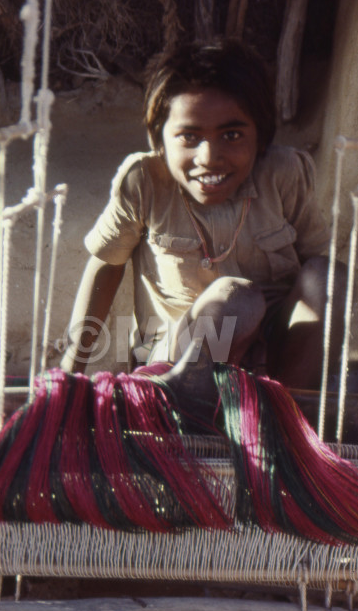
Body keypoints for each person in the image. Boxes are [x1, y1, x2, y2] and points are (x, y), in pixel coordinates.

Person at [60, 38, 339, 418]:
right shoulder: (144, 181)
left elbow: (318, 271)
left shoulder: (285, 174)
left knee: (327, 275)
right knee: (234, 299)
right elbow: (106, 265)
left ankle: (287, 416)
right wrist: (70, 373)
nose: (209, 158)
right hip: (177, 358)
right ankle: (188, 412)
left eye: (232, 135)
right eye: (189, 137)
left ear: (262, 135)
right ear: (158, 139)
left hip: (272, 360)